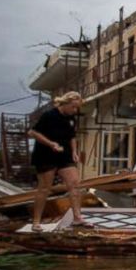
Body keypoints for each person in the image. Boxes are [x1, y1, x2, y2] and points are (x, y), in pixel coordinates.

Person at [28, 91, 92, 232]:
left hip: (65, 155)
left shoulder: (71, 118)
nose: (75, 110)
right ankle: (36, 222)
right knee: (45, 188)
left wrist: (74, 152)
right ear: (66, 104)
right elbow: (33, 133)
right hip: (45, 154)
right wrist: (51, 144)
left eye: (77, 108)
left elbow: (72, 136)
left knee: (75, 184)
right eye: (73, 107)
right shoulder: (49, 115)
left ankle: (77, 218)